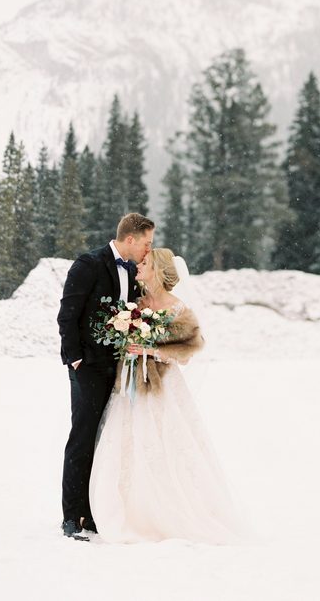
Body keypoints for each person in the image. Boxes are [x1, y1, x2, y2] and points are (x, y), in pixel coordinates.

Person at [88, 248, 246, 544]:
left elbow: (186, 354)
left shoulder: (177, 308)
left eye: (145, 263)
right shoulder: (135, 303)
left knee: (165, 443)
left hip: (163, 388)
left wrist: (151, 350)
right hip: (131, 386)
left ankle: (167, 511)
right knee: (125, 442)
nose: (139, 266)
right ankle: (125, 510)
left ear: (158, 270)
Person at [58, 212, 155, 539]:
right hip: (86, 369)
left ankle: (92, 510)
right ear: (130, 239)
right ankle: (71, 515)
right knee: (82, 438)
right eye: (146, 243)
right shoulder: (88, 264)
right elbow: (67, 314)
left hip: (116, 370)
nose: (148, 250)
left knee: (105, 440)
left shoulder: (134, 272)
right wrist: (74, 359)